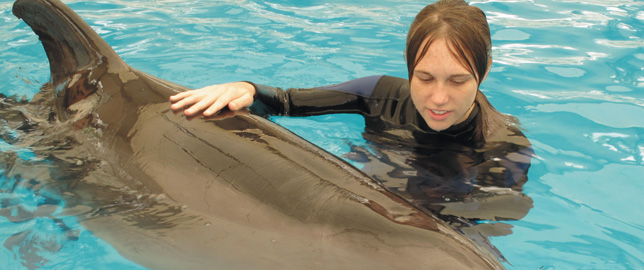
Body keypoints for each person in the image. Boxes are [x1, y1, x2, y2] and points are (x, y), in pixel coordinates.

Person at [170, 0, 532, 243]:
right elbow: (284, 101)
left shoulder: (503, 146)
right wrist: (245, 88)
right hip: (361, 202)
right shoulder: (378, 94)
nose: (438, 98)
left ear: (482, 75)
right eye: (424, 78)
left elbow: (480, 232)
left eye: (457, 81)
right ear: (408, 70)